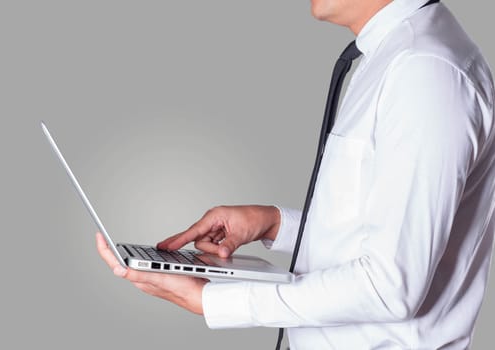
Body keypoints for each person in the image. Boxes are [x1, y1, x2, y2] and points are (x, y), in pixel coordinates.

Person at [96, 0, 495, 348]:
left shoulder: (425, 72)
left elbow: (391, 286)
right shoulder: (397, 56)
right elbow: (387, 230)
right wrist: (274, 224)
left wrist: (214, 302)